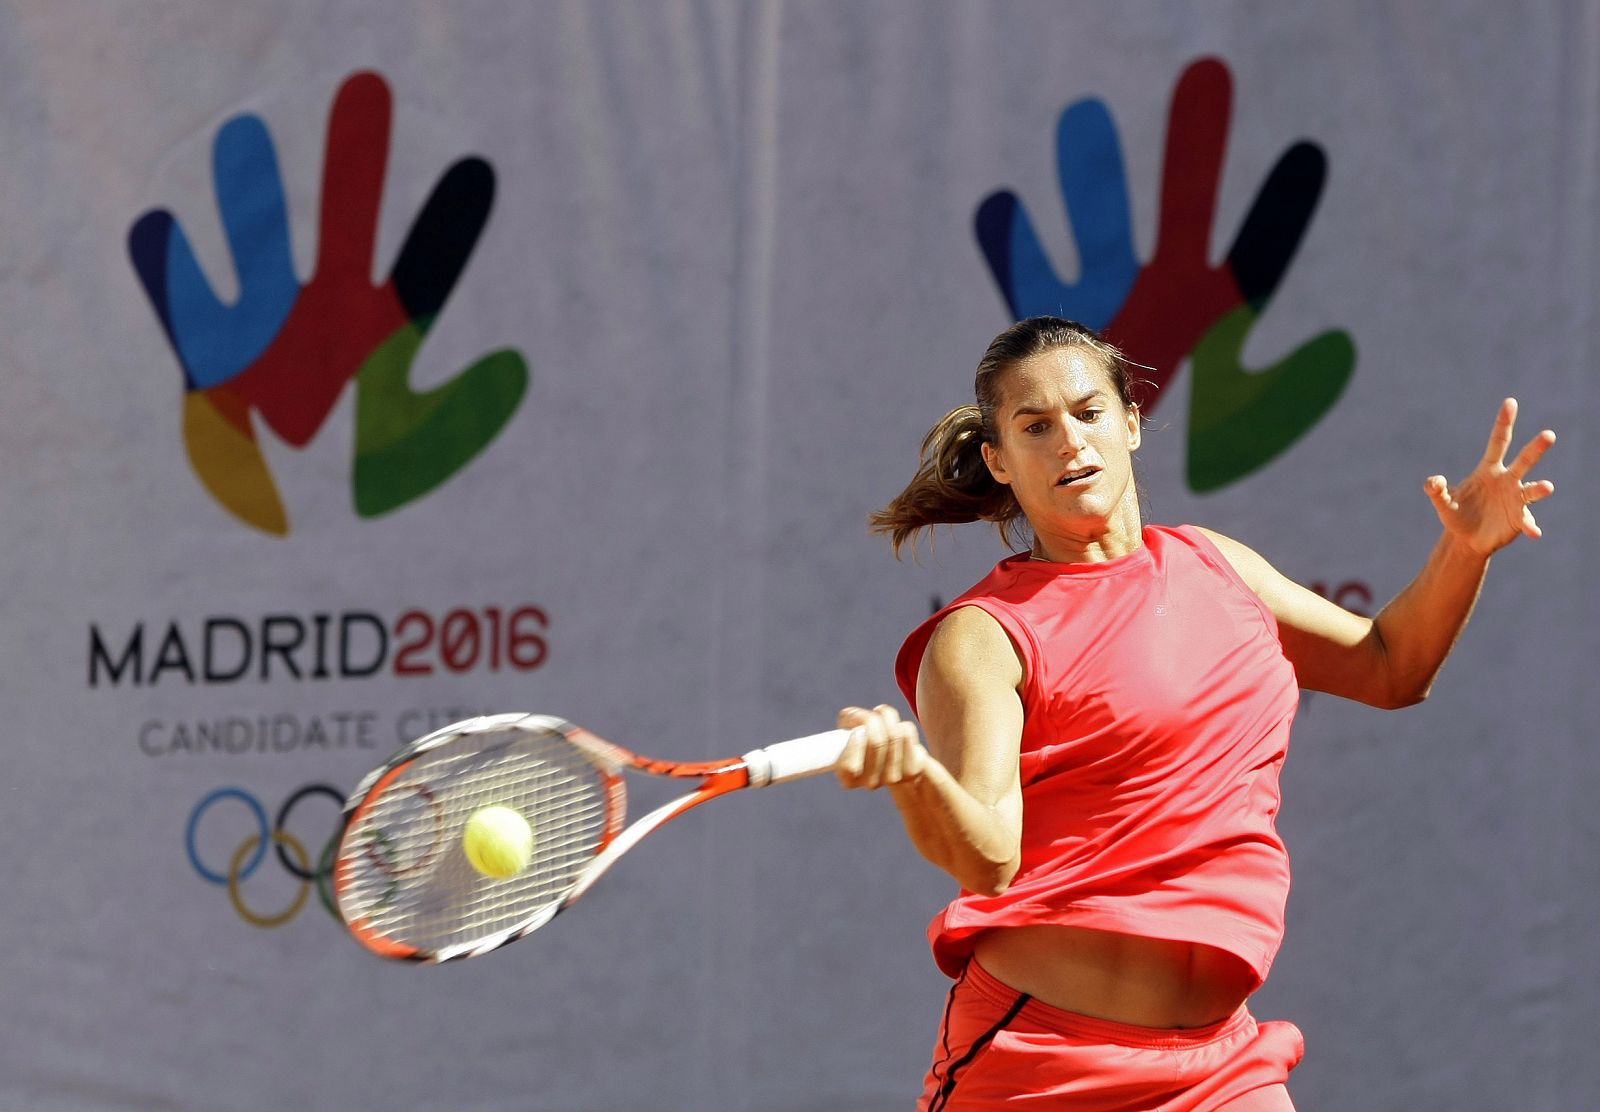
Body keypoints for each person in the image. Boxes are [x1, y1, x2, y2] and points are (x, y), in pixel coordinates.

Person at [832, 316, 1556, 1111]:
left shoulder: (1218, 565)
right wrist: (913, 780)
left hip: (1221, 1068)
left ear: (1132, 423)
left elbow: (1393, 666)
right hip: (1042, 1067)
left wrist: (1465, 549)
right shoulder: (981, 637)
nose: (1069, 441)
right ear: (1000, 460)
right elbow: (989, 857)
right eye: (1034, 426)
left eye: (1088, 413)